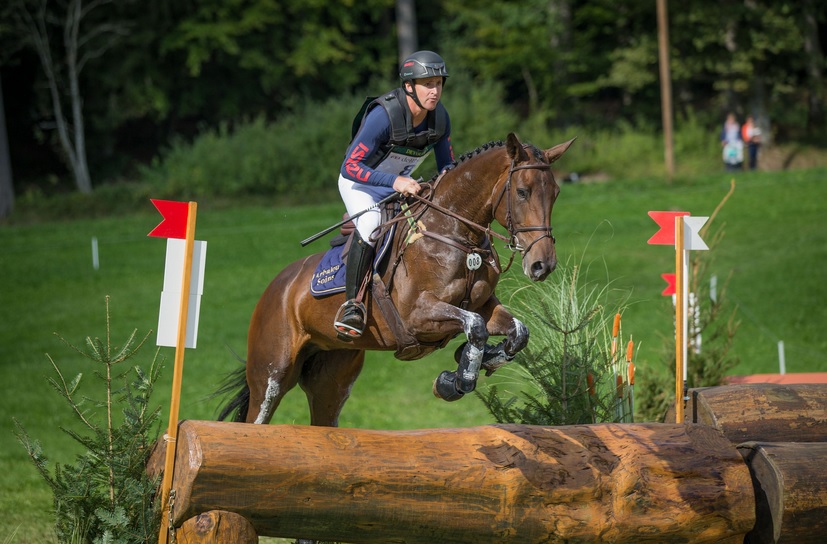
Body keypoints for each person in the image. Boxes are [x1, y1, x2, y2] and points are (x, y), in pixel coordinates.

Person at [333, 50, 455, 339]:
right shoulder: (383, 116)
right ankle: (353, 304)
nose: (435, 91)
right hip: (359, 183)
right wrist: (394, 181)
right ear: (409, 86)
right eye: (428, 84)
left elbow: (447, 166)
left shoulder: (440, 119)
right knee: (372, 222)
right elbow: (349, 166)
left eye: (439, 83)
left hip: (400, 183)